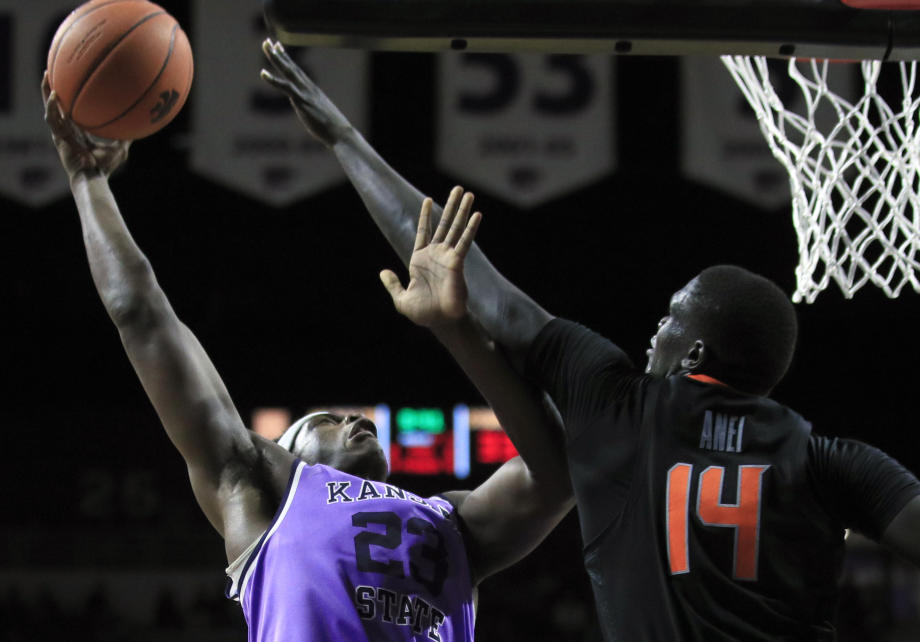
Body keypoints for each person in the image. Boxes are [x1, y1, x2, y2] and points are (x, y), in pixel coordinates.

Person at [260, 39, 920, 641]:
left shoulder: (624, 406)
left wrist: (344, 140)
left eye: (667, 323)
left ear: (691, 357)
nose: (652, 335)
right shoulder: (832, 460)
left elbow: (478, 279)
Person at [42, 72, 574, 641]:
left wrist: (458, 330)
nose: (357, 418)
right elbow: (141, 314)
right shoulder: (261, 485)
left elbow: (560, 468)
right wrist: (87, 181)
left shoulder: (453, 525)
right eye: (327, 418)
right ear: (286, 450)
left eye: (348, 415)